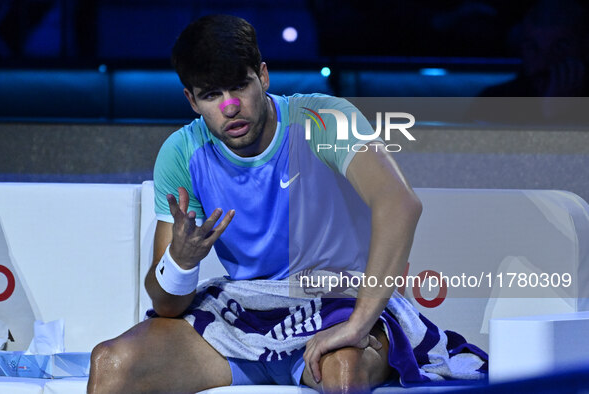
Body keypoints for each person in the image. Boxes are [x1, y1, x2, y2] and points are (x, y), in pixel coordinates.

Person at [88, 14, 487, 393]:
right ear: (192, 100)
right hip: (242, 313)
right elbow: (167, 306)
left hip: (333, 302)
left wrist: (360, 323)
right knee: (111, 365)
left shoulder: (323, 118)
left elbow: (399, 204)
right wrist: (181, 261)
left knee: (343, 372)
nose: (229, 106)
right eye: (212, 94)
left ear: (262, 76)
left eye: (239, 86)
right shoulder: (180, 153)